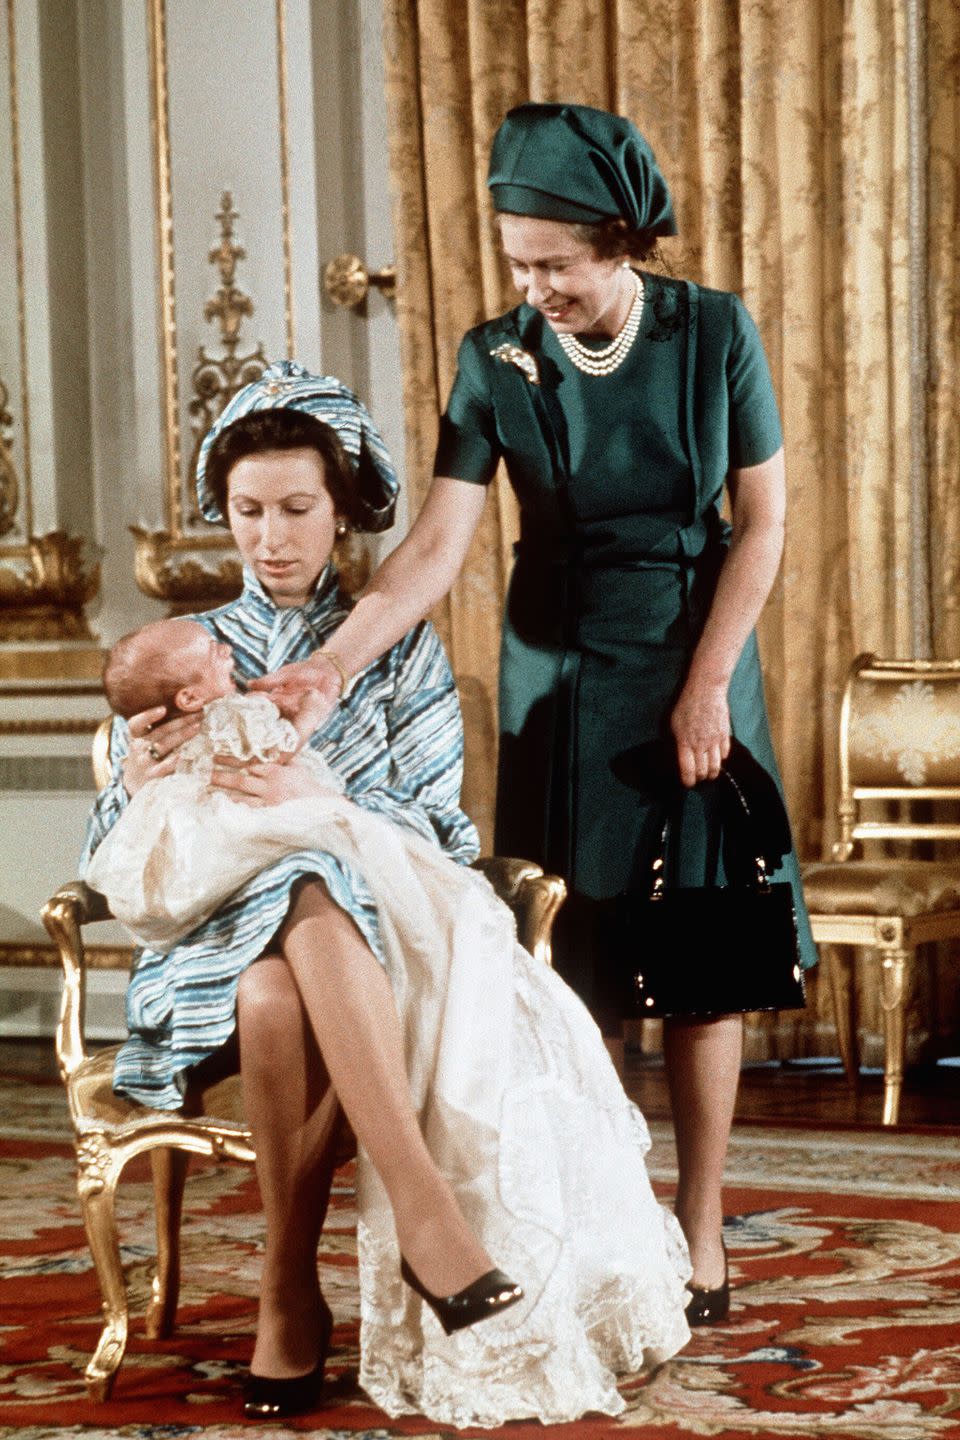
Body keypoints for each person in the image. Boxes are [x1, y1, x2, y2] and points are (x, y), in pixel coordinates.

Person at [251, 102, 818, 1329]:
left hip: (697, 644)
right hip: (559, 676)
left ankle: (705, 1230)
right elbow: (435, 548)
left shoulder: (715, 332)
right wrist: (330, 668)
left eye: (556, 264)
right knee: (580, 966)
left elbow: (763, 522)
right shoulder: (491, 358)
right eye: (519, 264)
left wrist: (711, 680)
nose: (536, 288)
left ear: (621, 242)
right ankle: (609, 1225)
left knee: (704, 961)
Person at [81, 368, 691, 1427]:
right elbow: (126, 854)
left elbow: (426, 821)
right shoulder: (186, 659)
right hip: (211, 938)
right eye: (249, 513)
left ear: (343, 510)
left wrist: (310, 800)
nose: (271, 538)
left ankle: (287, 1294)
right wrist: (136, 780)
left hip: (373, 927)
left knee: (302, 916)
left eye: (297, 510)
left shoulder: (396, 648)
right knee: (277, 930)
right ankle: (421, 1216)